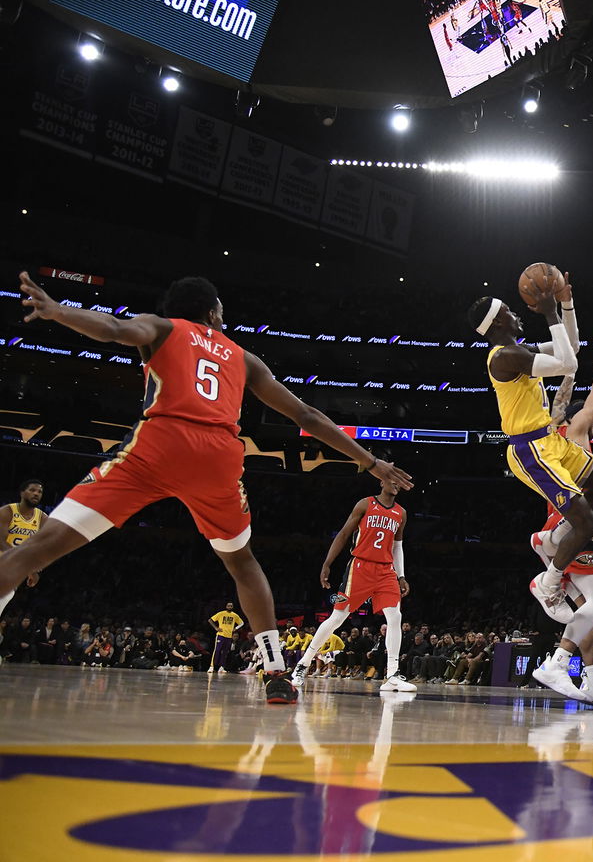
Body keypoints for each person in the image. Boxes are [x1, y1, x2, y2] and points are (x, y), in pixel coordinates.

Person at [1, 272, 413, 705]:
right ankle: (275, 672)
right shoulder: (242, 355)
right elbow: (306, 415)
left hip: (159, 445)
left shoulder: (162, 327)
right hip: (218, 457)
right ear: (213, 311)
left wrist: (56, 310)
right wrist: (370, 462)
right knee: (242, 562)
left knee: (39, 547)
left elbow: (116, 330)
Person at [468, 280, 593, 703]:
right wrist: (550, 310)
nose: (520, 312)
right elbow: (568, 361)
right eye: (511, 312)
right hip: (529, 449)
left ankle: (551, 541)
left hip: (550, 441)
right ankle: (548, 583)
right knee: (586, 520)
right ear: (498, 321)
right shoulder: (504, 357)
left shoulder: (515, 349)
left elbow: (567, 350)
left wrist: (566, 304)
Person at [527, 327, 593, 707]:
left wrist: (570, 368)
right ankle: (559, 663)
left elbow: (562, 396)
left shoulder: (554, 432)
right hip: (571, 525)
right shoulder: (581, 430)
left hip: (563, 521)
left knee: (591, 608)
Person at [292, 478, 415, 694]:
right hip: (359, 568)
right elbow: (343, 534)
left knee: (395, 617)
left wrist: (401, 576)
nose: (395, 484)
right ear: (381, 482)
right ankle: (302, 665)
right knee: (337, 618)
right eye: (392, 480)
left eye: (399, 482)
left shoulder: (401, 513)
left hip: (386, 571)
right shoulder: (365, 504)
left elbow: (398, 547)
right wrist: (327, 563)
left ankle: (392, 675)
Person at [0, 479, 46, 619]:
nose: (36, 493)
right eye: (32, 490)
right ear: (22, 493)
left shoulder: (42, 518)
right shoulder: (7, 511)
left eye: (39, 491)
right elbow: (1, 541)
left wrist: (36, 569)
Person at [207, 602, 243, 673]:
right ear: (226, 606)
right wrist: (216, 628)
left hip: (229, 636)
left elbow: (242, 623)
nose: (230, 607)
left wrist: (236, 628)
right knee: (217, 650)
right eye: (228, 606)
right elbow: (210, 620)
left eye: (231, 606)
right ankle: (212, 666)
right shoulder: (221, 613)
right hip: (220, 635)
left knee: (225, 652)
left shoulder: (235, 615)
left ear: (232, 607)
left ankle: (222, 667)